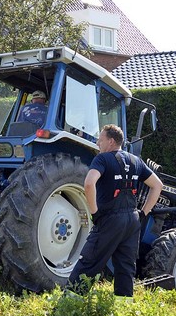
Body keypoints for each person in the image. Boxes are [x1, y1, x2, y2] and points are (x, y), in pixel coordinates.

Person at [67, 124, 163, 300]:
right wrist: (143, 213)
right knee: (126, 267)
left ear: (111, 141)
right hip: (132, 221)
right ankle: (123, 306)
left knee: (89, 261)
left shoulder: (102, 159)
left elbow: (89, 183)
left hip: (109, 220)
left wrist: (95, 212)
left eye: (100, 140)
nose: (97, 143)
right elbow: (158, 185)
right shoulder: (136, 161)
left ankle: (69, 305)